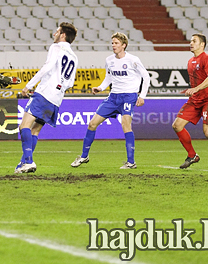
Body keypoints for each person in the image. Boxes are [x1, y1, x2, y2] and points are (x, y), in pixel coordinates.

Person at [71, 32, 150, 170]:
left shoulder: (133, 59)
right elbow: (109, 77)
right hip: (113, 97)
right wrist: (100, 88)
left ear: (123, 45)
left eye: (116, 43)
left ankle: (131, 162)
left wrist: (142, 96)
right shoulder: (109, 60)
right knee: (92, 124)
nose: (113, 45)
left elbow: (146, 76)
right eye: (112, 43)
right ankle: (84, 156)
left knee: (126, 125)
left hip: (128, 96)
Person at [14, 22, 79, 174]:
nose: (54, 34)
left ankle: (28, 162)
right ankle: (23, 162)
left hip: (44, 92)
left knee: (24, 126)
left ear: (63, 35)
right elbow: (70, 82)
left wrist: (29, 86)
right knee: (35, 130)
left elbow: (47, 67)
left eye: (57, 32)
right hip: (56, 98)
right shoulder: (74, 57)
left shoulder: (56, 47)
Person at [172, 34, 208, 171]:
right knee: (177, 125)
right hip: (195, 100)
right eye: (191, 41)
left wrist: (196, 88)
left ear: (202, 44)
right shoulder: (191, 61)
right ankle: (192, 155)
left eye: (194, 41)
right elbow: (197, 80)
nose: (191, 43)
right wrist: (191, 90)